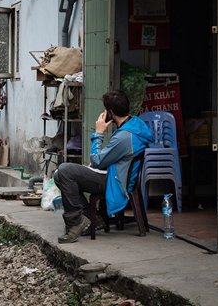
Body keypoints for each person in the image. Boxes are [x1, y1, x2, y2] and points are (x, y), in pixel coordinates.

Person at [52, 90, 152, 243]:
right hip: (117, 174)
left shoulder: (124, 137)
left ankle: (76, 222)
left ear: (110, 113)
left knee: (65, 170)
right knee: (59, 174)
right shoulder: (135, 124)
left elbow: (97, 160)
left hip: (115, 181)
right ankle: (90, 218)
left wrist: (98, 133)